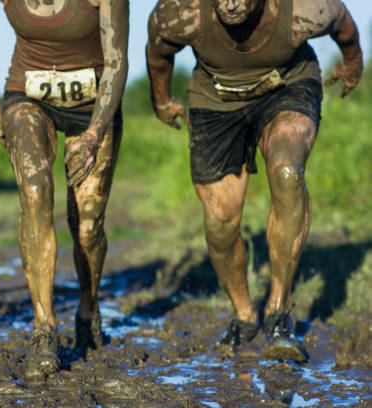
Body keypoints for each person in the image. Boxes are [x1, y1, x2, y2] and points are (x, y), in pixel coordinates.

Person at [146, 0, 362, 361]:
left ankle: (278, 313)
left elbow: (345, 26)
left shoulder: (305, 10)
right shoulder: (180, 13)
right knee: (221, 221)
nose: (230, 3)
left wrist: (352, 64)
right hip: (215, 98)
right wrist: (162, 100)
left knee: (287, 172)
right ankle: (244, 315)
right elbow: (157, 50)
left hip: (287, 86)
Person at [0, 0, 129, 380]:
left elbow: (116, 62)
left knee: (88, 225)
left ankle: (88, 310)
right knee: (35, 191)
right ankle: (43, 330)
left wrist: (93, 134)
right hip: (28, 97)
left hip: (93, 107)